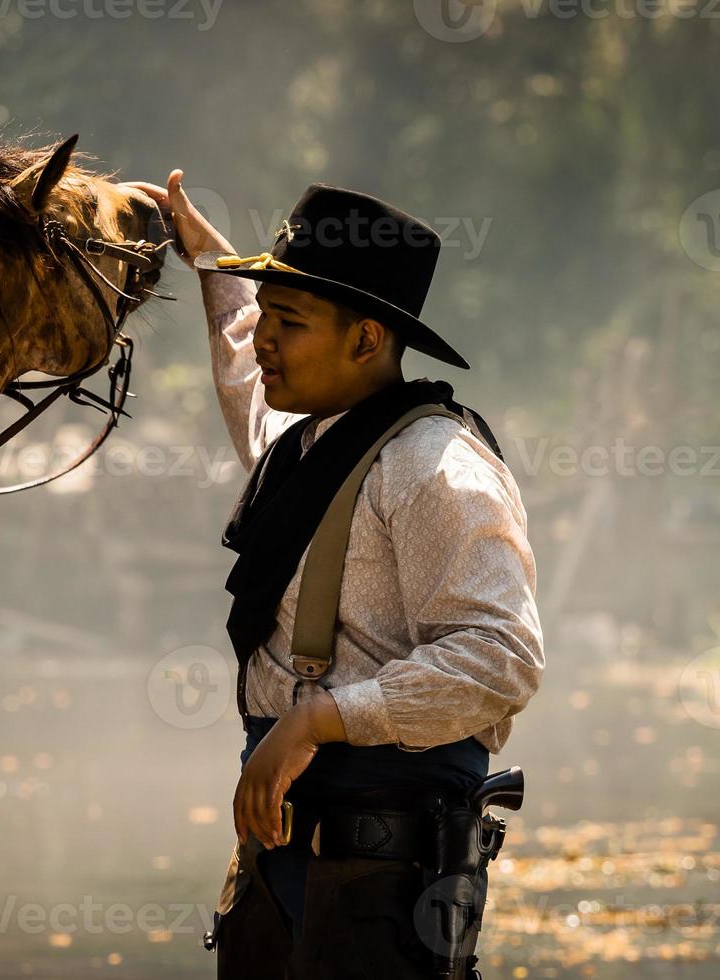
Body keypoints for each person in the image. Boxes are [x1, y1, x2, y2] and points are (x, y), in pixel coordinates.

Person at [126, 171, 545, 978]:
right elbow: (246, 380)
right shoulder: (306, 447)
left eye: (288, 322)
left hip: (382, 877)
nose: (263, 340)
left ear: (364, 340)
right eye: (266, 318)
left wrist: (316, 721)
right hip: (279, 865)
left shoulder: (435, 467)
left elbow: (500, 660)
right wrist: (210, 258)